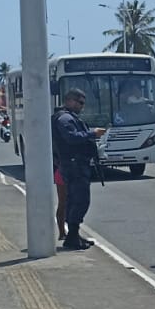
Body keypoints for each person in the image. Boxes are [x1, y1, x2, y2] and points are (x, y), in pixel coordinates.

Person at [51, 89, 105, 251]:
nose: (82, 106)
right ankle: (72, 236)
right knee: (79, 200)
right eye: (80, 102)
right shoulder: (64, 118)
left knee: (77, 200)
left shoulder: (69, 117)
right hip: (73, 165)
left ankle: (74, 235)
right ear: (69, 101)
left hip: (76, 164)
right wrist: (92, 134)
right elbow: (71, 137)